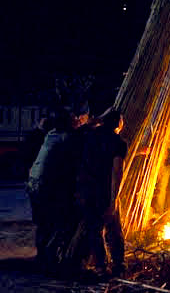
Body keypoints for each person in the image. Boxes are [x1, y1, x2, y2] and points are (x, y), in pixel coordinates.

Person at [70, 107, 128, 277]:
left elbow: (81, 129)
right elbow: (116, 172)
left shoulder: (90, 136)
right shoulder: (118, 142)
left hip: (86, 191)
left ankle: (101, 266)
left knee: (94, 230)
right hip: (103, 192)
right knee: (114, 228)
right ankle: (117, 264)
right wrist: (113, 200)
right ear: (118, 123)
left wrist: (99, 118)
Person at [26, 108, 79, 271]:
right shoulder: (67, 139)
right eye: (74, 118)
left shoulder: (51, 135)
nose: (77, 120)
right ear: (68, 123)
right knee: (60, 221)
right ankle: (50, 258)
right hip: (46, 186)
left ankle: (42, 256)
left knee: (43, 223)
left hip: (34, 184)